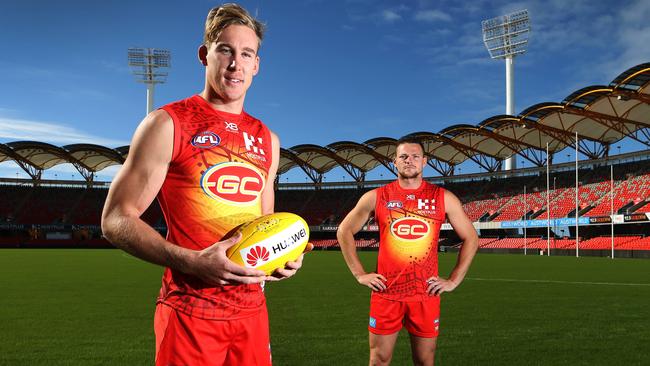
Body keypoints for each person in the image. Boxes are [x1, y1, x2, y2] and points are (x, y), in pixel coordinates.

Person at [102, 4, 308, 365]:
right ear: (205, 55)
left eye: (247, 54)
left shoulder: (268, 140)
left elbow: (266, 223)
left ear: (257, 65)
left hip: (252, 314)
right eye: (225, 50)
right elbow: (115, 219)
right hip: (190, 313)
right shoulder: (167, 123)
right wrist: (192, 261)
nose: (235, 64)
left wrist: (282, 258)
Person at [337, 137, 478, 366]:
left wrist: (453, 280)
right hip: (386, 293)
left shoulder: (443, 197)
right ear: (395, 162)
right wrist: (359, 274)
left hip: (425, 294)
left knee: (424, 361)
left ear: (424, 162)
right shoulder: (376, 196)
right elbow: (344, 231)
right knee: (379, 360)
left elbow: (471, 237)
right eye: (403, 156)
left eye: (414, 156)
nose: (409, 160)